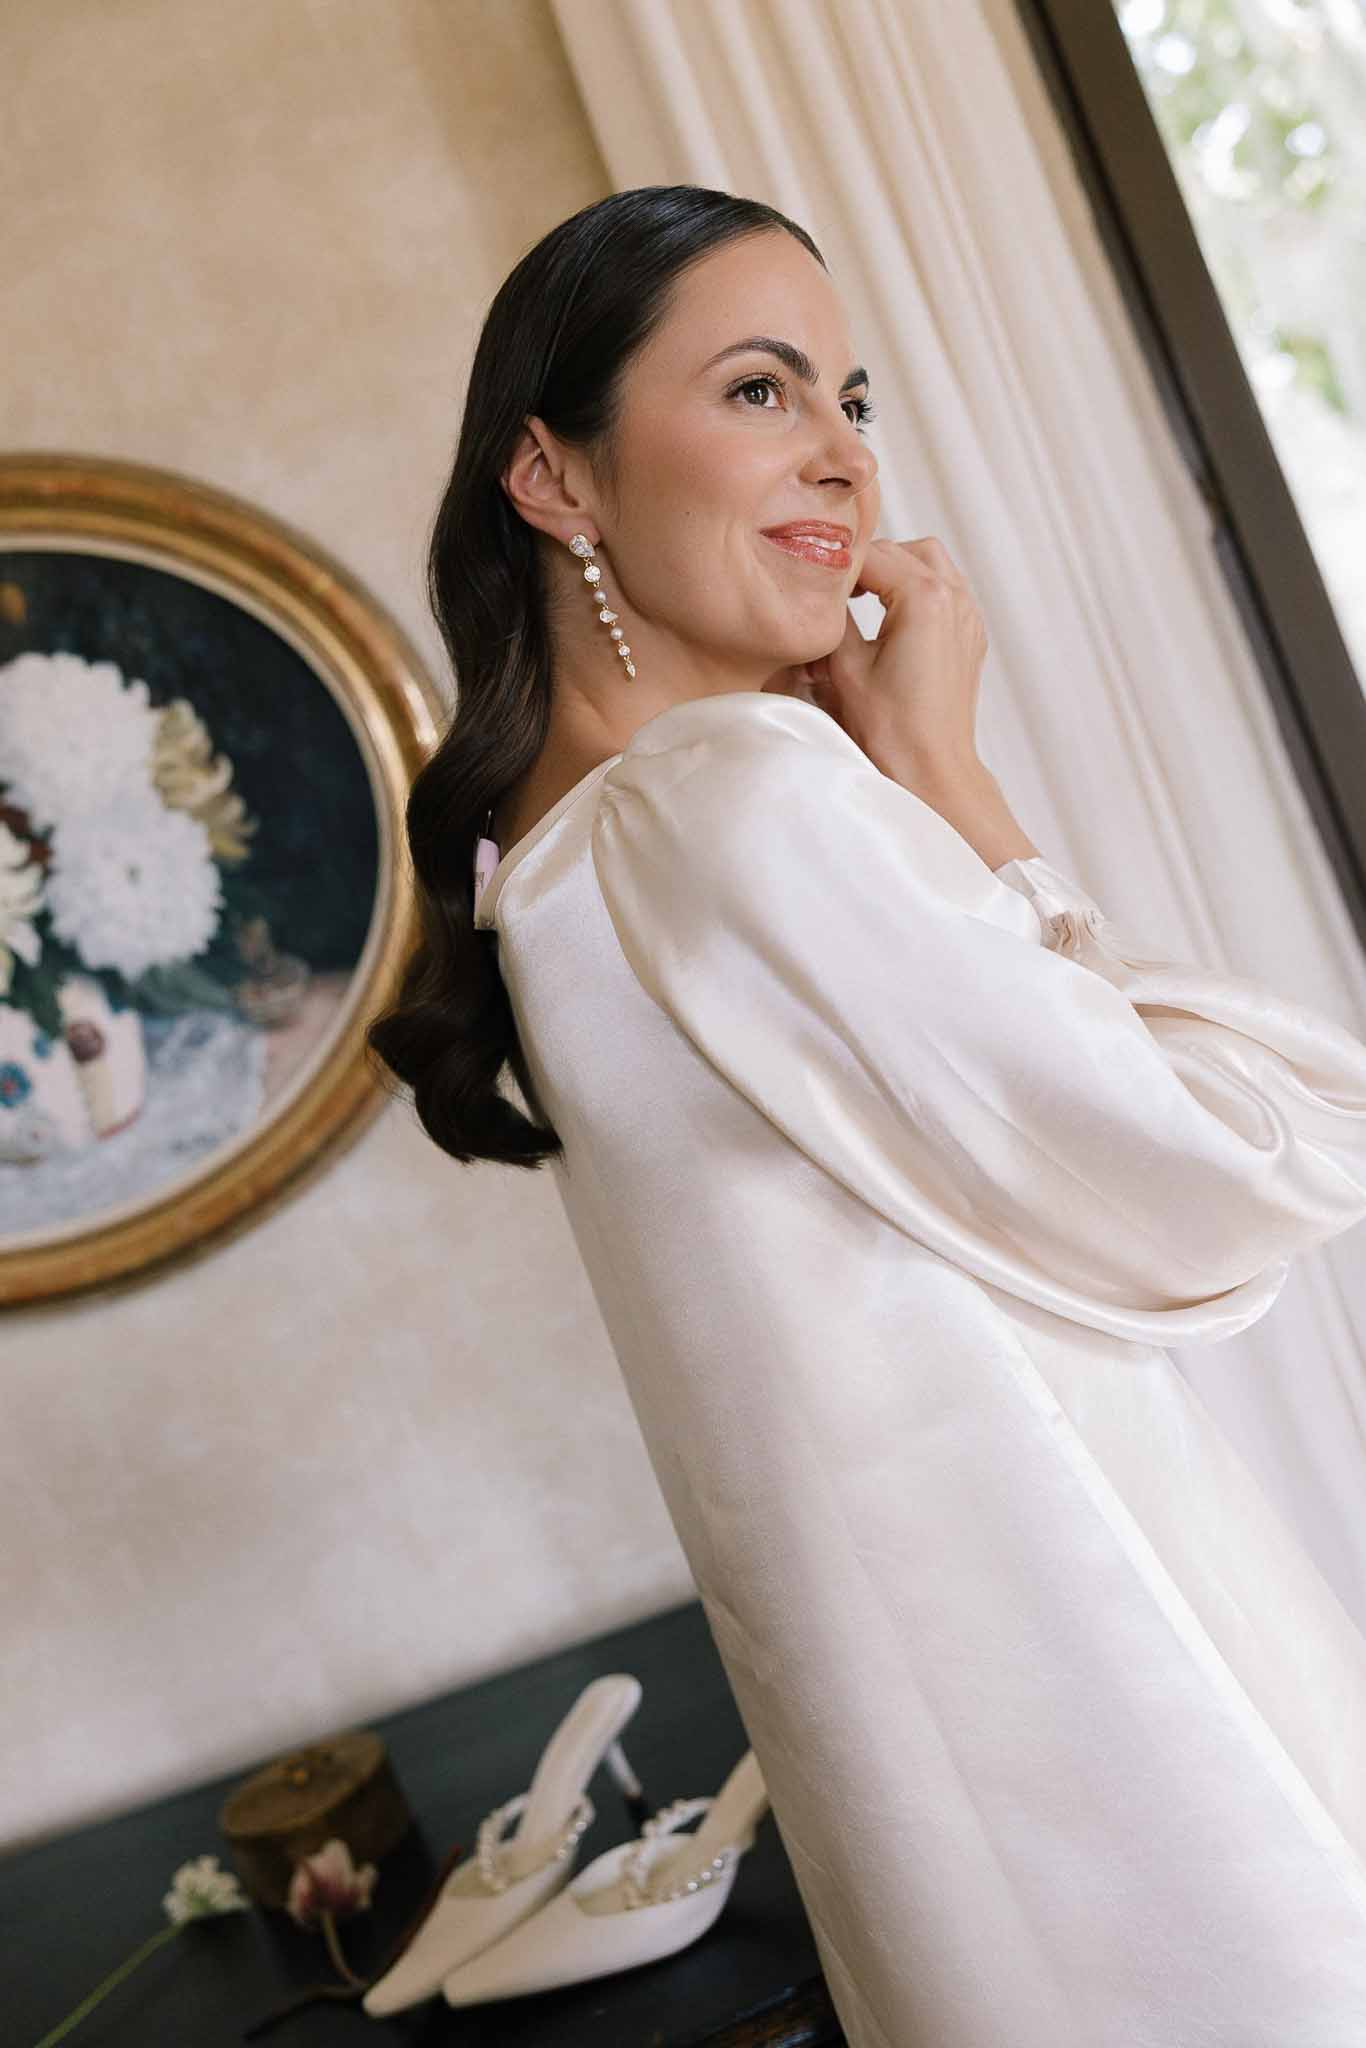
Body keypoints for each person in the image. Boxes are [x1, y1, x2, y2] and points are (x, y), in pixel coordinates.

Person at [366, 185, 1366, 2045]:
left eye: (852, 394)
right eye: (756, 391)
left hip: (968, 1818)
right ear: (553, 477)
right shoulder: (731, 803)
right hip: (1138, 1754)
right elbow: (1259, 1151)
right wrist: (951, 778)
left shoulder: (563, 865)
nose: (839, 452)